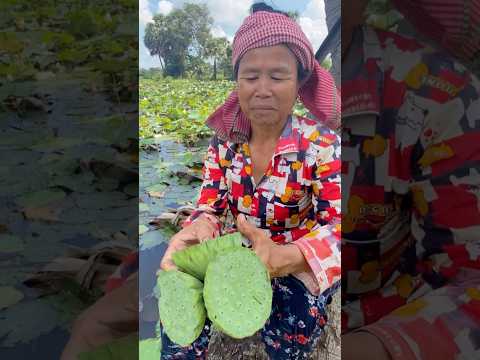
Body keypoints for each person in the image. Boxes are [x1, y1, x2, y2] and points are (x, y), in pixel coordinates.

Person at [159, 3, 341, 359]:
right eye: (250, 76)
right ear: (237, 80)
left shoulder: (322, 146)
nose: (262, 90)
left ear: (301, 81)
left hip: (294, 259)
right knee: (178, 297)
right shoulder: (224, 143)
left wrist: (285, 257)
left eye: (277, 76)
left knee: (296, 317)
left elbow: (338, 227)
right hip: (237, 253)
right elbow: (210, 206)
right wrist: (196, 230)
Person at [341, 1, 480, 359]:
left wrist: (377, 349)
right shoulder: (251, 113)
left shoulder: (441, 96)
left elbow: (471, 278)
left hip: (375, 328)